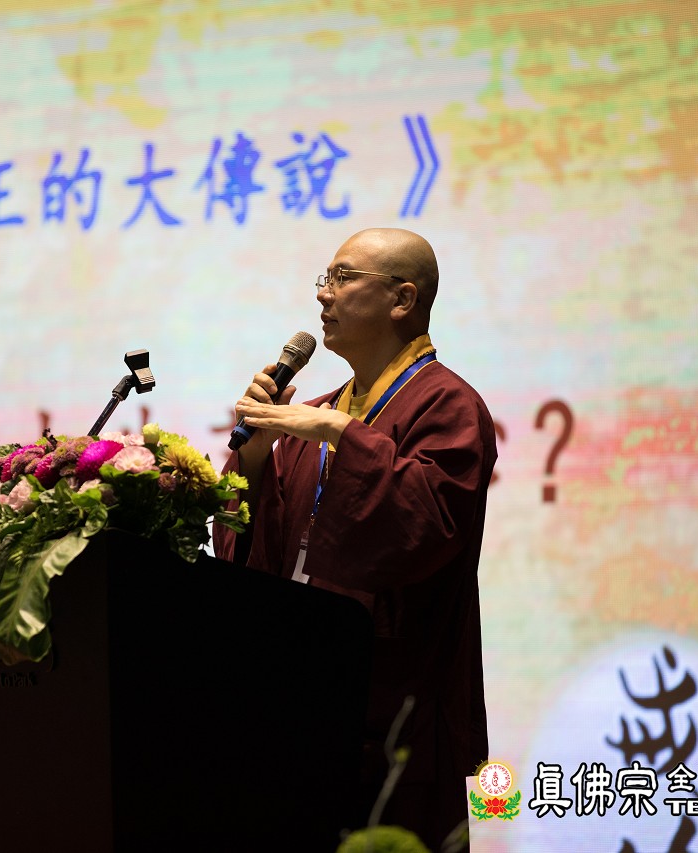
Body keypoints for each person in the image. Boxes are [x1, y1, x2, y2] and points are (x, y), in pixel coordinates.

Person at [212, 227, 497, 849]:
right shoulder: (316, 411)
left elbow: (426, 525)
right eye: (326, 279)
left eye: (342, 278)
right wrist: (255, 459)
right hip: (297, 688)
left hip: (391, 697)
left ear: (402, 298)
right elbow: (257, 548)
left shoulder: (447, 405)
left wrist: (341, 434)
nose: (324, 294)